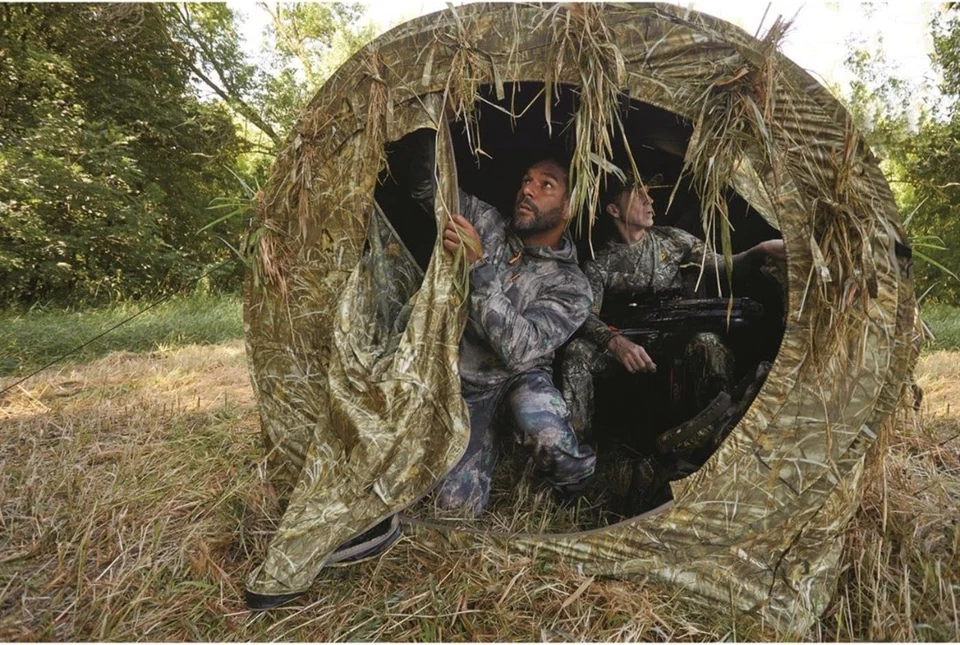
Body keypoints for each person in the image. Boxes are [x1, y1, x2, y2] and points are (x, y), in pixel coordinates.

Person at [560, 174, 785, 446]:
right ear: (613, 209)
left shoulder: (672, 239)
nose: (649, 200)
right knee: (578, 352)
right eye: (638, 194)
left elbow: (723, 266)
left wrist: (759, 250)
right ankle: (573, 449)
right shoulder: (600, 262)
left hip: (674, 336)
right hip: (630, 344)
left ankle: (714, 436)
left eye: (649, 193)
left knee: (708, 343)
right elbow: (583, 315)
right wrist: (617, 343)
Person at [435, 158, 597, 515]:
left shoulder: (573, 286)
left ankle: (577, 479)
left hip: (519, 377)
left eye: (546, 185)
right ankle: (490, 438)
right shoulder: (487, 223)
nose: (528, 189)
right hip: (462, 380)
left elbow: (520, 349)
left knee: (546, 434)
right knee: (453, 508)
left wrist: (476, 267)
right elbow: (429, 186)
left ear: (569, 207)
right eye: (526, 179)